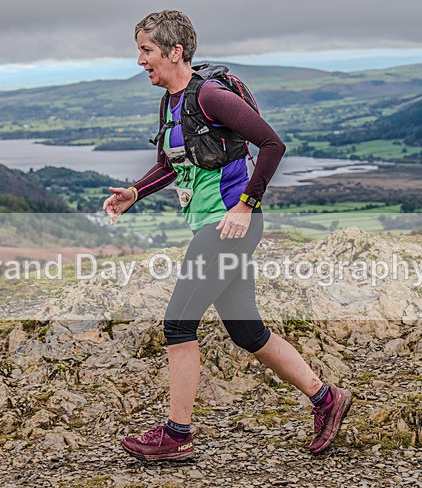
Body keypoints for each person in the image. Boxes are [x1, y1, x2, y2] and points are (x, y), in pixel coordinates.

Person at [102, 10, 351, 461]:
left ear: (175, 51)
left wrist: (246, 205)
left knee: (178, 324)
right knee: (247, 331)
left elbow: (272, 145)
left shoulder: (210, 96)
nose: (140, 61)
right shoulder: (171, 102)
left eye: (146, 50)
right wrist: (134, 193)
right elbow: (171, 165)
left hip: (229, 226)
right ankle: (326, 398)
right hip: (214, 225)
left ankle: (177, 435)